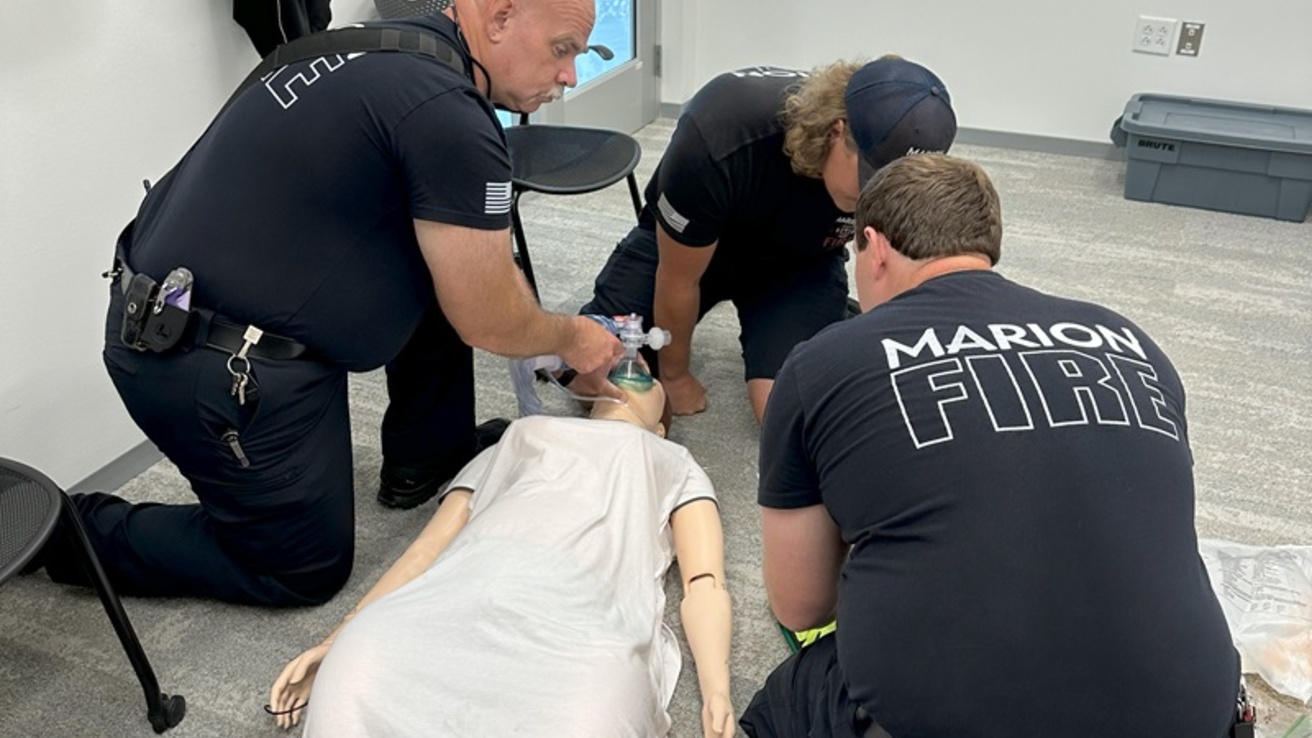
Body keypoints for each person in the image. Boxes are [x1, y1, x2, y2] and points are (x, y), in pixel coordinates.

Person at [35, 0, 626, 606]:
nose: (569, 77)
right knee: (301, 568)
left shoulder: (368, 46)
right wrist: (572, 336)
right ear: (499, 18)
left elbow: (475, 273)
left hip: (172, 304)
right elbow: (489, 316)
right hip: (207, 364)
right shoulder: (447, 114)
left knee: (448, 257)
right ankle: (59, 528)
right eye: (562, 49)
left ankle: (426, 456)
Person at [743, 154, 1241, 738]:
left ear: (873, 247)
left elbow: (802, 606)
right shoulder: (1129, 339)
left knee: (790, 695)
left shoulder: (822, 362)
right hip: (1193, 714)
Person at [267, 378, 735, 737]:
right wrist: (338, 636)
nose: (635, 373)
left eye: (649, 379)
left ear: (660, 425)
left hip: (580, 624)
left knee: (598, 707)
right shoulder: (522, 433)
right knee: (365, 662)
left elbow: (705, 584)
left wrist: (717, 689)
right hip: (463, 591)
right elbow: (428, 547)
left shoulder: (670, 457)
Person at [578, 56, 956, 424]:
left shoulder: (893, 184)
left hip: (799, 263)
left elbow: (897, 271)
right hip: (698, 245)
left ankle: (825, 317)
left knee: (785, 414)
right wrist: (675, 376)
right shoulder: (719, 132)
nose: (871, 199)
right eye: (869, 180)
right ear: (838, 131)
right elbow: (678, 277)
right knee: (589, 369)